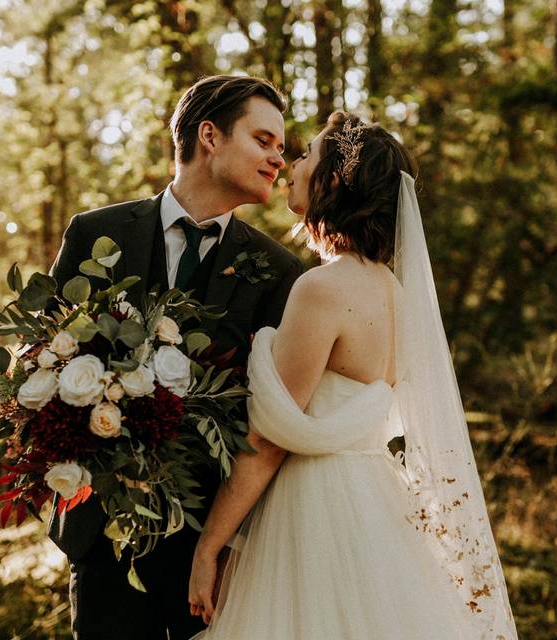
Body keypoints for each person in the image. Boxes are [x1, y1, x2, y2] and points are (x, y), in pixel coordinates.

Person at [187, 112, 519, 639]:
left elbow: (269, 441)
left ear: (333, 180)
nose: (290, 164)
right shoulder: (397, 294)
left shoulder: (324, 288)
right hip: (379, 504)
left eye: (306, 155)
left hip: (316, 511)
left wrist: (209, 547)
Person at [45, 75, 303, 640]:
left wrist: (229, 542)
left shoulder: (277, 272)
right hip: (102, 534)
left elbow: (267, 417)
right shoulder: (96, 234)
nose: (277, 159)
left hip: (207, 554)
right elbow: (42, 360)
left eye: (281, 149)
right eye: (264, 141)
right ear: (209, 136)